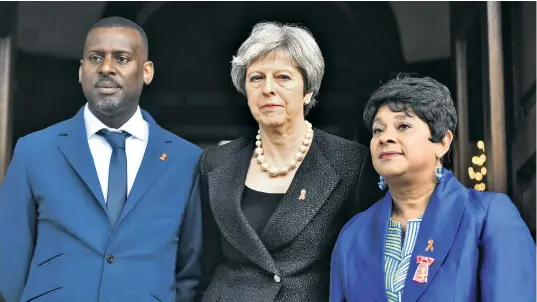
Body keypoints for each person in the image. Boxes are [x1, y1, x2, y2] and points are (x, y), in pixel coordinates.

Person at [0, 17, 203, 302]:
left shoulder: (187, 160)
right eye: (96, 58)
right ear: (81, 71)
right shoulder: (33, 151)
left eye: (121, 58)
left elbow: (191, 269)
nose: (106, 68)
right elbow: (9, 261)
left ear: (146, 71)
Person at [195, 22, 381, 302]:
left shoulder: (351, 163)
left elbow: (364, 264)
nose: (268, 88)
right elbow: (205, 262)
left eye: (283, 77)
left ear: (308, 90)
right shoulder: (216, 162)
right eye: (256, 78)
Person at [330, 74, 536, 302]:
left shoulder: (487, 216)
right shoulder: (352, 235)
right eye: (378, 130)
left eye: (403, 126)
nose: (385, 137)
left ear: (442, 143)